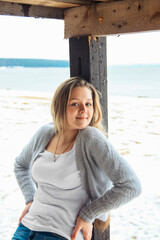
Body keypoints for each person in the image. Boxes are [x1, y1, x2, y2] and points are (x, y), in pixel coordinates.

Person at [12, 77, 141, 240]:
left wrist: (88, 214)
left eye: (88, 104)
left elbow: (131, 186)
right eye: (75, 103)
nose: (83, 110)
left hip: (62, 234)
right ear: (60, 106)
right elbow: (20, 165)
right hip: (26, 228)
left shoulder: (90, 137)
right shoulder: (46, 133)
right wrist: (29, 199)